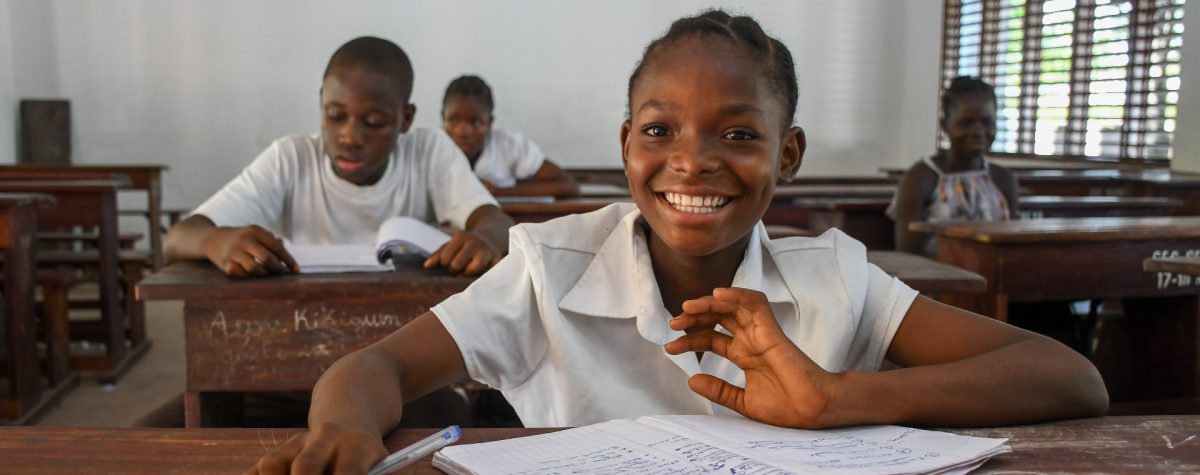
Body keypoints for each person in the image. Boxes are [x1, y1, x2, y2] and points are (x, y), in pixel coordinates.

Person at [248, 12, 1107, 474]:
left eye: (738, 134)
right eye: (660, 130)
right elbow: (373, 370)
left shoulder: (833, 275)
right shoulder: (551, 267)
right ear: (627, 145)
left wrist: (834, 400)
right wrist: (347, 427)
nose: (691, 160)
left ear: (788, 155)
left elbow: (1072, 377)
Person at [165, 37, 513, 278]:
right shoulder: (291, 158)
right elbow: (178, 238)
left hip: (400, 333)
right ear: (321, 104)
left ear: (405, 119)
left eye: (373, 123)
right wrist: (217, 241)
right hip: (299, 324)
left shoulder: (428, 151)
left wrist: (484, 241)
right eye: (335, 116)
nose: (350, 137)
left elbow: (498, 223)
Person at [887, 76, 1021, 255]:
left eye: (986, 122)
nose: (978, 131)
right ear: (945, 125)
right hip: (936, 279)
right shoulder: (920, 179)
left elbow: (1012, 246)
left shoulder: (1003, 179)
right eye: (966, 123)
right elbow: (908, 255)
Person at [441, 75, 581, 198]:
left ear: (490, 122)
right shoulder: (432, 148)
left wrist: (501, 192)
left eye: (476, 123)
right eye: (453, 121)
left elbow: (569, 186)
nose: (463, 132)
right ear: (443, 118)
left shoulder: (509, 145)